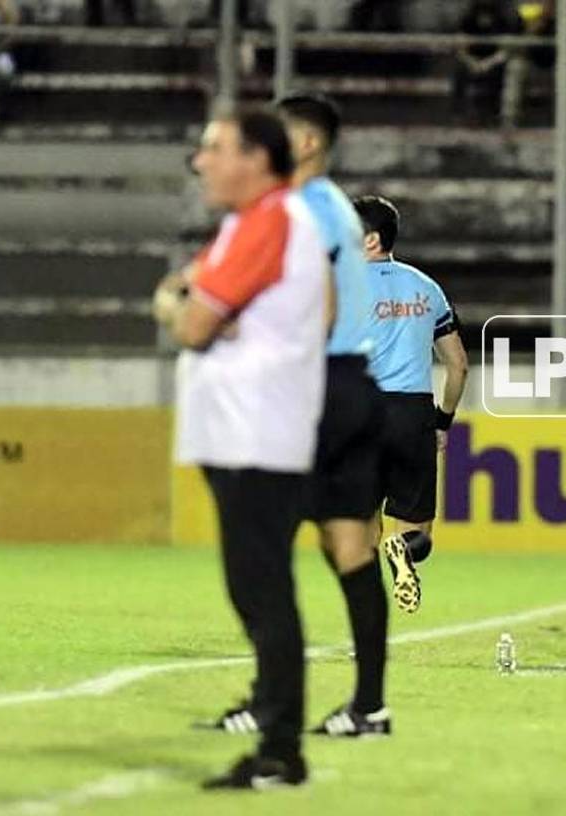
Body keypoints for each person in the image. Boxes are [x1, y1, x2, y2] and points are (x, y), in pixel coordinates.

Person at [205, 93, 396, 741]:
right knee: (349, 545)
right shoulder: (336, 206)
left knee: (260, 545)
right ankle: (369, 705)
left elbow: (315, 297)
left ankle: (269, 703)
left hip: (317, 382)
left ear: (306, 143)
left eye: (278, 138)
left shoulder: (301, 210)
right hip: (355, 382)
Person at [153, 106, 328, 789]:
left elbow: (191, 318)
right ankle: (278, 741)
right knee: (254, 588)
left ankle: (281, 748)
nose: (201, 161)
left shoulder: (273, 220)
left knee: (262, 591)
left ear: (256, 158)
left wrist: (197, 315)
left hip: (258, 430)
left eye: (215, 148)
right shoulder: (248, 224)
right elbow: (178, 298)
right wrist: (194, 312)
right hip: (240, 429)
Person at [354, 194, 469, 615]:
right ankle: (401, 549)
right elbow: (458, 366)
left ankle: (367, 626)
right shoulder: (426, 288)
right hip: (413, 413)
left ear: (370, 240)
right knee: (418, 527)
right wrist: (443, 421)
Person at [502, 0, 566, 128]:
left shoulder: (562, 14)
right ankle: (509, 120)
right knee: (515, 67)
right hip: (530, 63)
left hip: (556, 63)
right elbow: (515, 46)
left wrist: (551, 18)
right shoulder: (526, 13)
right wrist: (532, 31)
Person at [453, 0, 512, 124]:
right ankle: (458, 113)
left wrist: (488, 64)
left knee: (500, 72)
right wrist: (472, 63)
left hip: (493, 61)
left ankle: (493, 114)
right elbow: (461, 49)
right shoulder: (468, 18)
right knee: (459, 70)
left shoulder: (503, 18)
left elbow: (504, 51)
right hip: (472, 60)